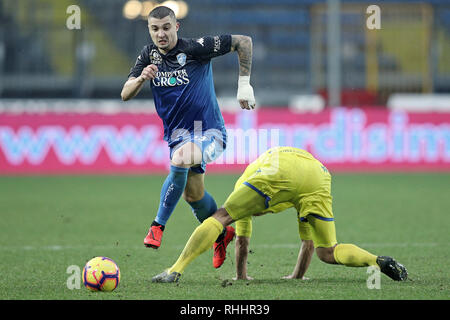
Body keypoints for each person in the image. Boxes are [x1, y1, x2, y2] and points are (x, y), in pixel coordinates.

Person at [121, 6, 255, 268]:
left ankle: (157, 226)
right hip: (178, 137)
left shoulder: (195, 48)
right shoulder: (147, 56)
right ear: (149, 30)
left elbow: (243, 42)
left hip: (210, 133)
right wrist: (141, 79)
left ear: (176, 26)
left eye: (166, 27)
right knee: (193, 196)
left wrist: (244, 85)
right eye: (155, 29)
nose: (161, 34)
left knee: (181, 158)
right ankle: (221, 232)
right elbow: (125, 93)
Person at [151, 146, 408, 283]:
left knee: (220, 217)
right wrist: (297, 276)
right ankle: (377, 261)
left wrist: (240, 276)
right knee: (328, 250)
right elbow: (308, 242)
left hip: (276, 169)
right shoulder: (293, 184)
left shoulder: (243, 185)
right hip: (317, 173)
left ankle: (175, 269)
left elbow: (241, 240)